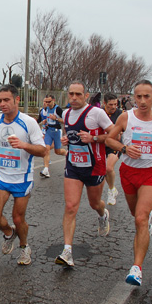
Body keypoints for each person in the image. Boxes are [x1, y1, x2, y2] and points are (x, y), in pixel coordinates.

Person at [106, 80, 152, 286]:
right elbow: (109, 140)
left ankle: (136, 268)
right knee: (135, 213)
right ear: (133, 98)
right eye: (138, 96)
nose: (143, 101)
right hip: (129, 172)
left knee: (140, 219)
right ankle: (146, 219)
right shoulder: (125, 117)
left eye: (147, 96)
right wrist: (124, 149)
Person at [0, 84, 46, 266]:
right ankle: (9, 233)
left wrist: (24, 145)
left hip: (22, 178)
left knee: (18, 218)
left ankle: (24, 246)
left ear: (17, 100)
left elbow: (43, 151)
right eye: (0, 100)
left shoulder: (28, 122)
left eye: (6, 100)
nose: (2, 104)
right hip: (1, 177)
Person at [55, 81, 114, 268]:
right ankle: (67, 251)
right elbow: (70, 135)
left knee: (94, 203)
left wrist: (94, 138)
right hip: (73, 166)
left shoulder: (96, 113)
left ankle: (102, 214)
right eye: (71, 94)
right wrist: (66, 140)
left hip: (95, 167)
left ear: (86, 96)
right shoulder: (66, 113)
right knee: (71, 206)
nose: (73, 97)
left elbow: (114, 135)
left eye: (78, 94)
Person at [36, 94, 65, 178]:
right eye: (46, 101)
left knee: (58, 151)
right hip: (49, 131)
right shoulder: (45, 109)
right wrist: (45, 121)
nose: (47, 103)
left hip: (57, 131)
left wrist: (56, 119)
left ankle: (67, 154)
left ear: (54, 100)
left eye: (49, 101)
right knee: (46, 149)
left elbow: (66, 120)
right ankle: (46, 169)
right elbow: (41, 118)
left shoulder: (58, 109)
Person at [103, 93, 123, 205]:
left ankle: (111, 191)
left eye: (115, 104)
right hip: (101, 145)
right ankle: (112, 188)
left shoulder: (121, 114)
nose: (114, 107)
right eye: (111, 104)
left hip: (115, 145)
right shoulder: (100, 113)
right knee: (102, 171)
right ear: (105, 103)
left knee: (108, 168)